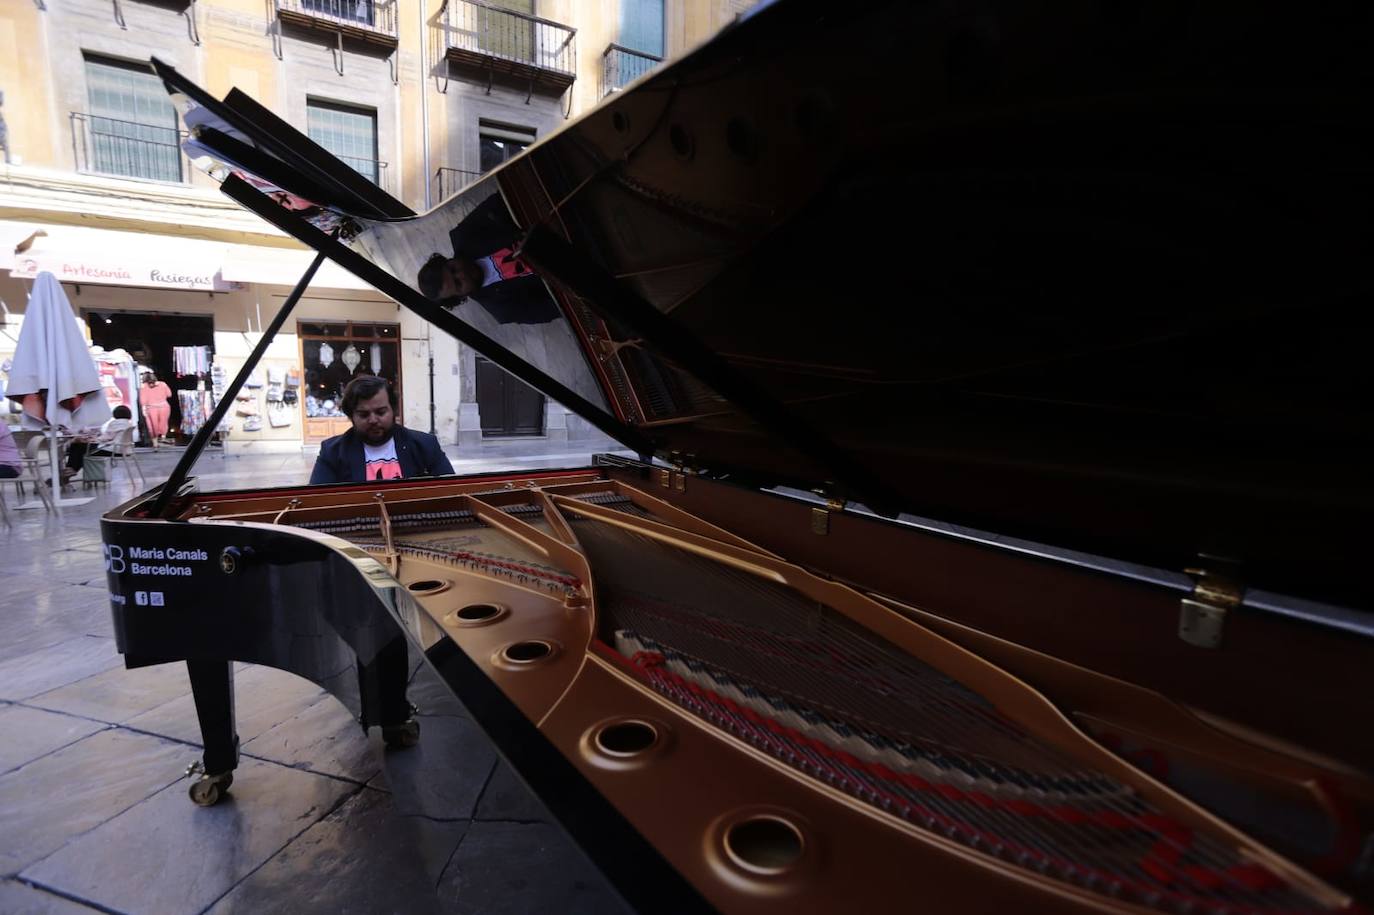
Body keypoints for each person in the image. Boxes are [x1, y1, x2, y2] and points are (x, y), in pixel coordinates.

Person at [415, 191, 561, 326]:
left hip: (558, 216)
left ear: (447, 260)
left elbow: (509, 196)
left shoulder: (464, 235)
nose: (462, 274)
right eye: (458, 283)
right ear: (460, 297)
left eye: (453, 269)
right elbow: (560, 306)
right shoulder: (502, 310)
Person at [309, 376, 454, 484]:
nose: (373, 420)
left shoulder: (425, 445)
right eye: (364, 414)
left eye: (381, 412)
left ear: (394, 410)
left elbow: (452, 491)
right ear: (351, 416)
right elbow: (315, 501)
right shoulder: (332, 452)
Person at [67, 405, 134, 473]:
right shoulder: (128, 423)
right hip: (124, 450)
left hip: (114, 450)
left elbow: (107, 437)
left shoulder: (116, 423)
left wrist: (93, 439)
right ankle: (72, 470)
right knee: (83, 449)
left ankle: (71, 469)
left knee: (79, 446)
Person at [140, 372, 173, 448]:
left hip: (151, 408)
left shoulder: (144, 387)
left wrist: (143, 409)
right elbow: (169, 394)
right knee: (163, 424)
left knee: (152, 426)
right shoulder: (163, 384)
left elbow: (143, 401)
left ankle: (155, 443)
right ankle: (162, 439)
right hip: (164, 407)